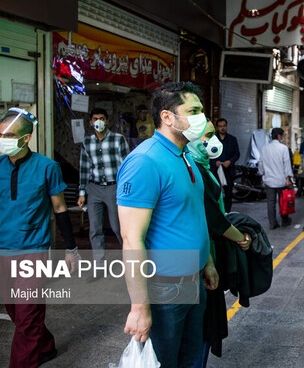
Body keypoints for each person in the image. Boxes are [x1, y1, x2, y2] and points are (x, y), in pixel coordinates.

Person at [117, 82, 219, 367]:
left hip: (194, 280)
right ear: (167, 117)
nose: (202, 118)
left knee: (191, 358)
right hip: (164, 288)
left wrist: (207, 262)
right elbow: (131, 239)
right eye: (194, 110)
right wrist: (139, 307)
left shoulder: (186, 154)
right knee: (166, 361)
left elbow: (193, 214)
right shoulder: (145, 161)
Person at [0, 108, 79, 367]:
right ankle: (45, 345)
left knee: (27, 314)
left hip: (33, 249)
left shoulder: (47, 167)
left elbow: (60, 209)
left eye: (9, 135)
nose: (2, 140)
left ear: (26, 138)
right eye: (0, 134)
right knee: (17, 312)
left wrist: (71, 248)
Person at [187, 120, 251, 367]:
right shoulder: (194, 170)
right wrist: (241, 238)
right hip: (201, 253)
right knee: (205, 322)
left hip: (205, 250)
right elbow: (213, 218)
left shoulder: (199, 165)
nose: (214, 140)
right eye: (209, 135)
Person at [77, 107, 129, 265]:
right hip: (94, 188)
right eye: (95, 119)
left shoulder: (117, 139)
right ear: (90, 122)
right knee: (95, 229)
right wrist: (81, 193)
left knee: (117, 226)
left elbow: (126, 166)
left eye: (102, 118)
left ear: (107, 121)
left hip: (114, 187)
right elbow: (84, 168)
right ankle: (98, 264)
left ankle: (130, 260)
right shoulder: (87, 142)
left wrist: (125, 189)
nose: (98, 121)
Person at [258, 128, 293, 230]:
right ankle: (285, 221)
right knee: (283, 201)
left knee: (271, 203)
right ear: (278, 136)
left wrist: (262, 174)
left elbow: (261, 163)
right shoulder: (283, 148)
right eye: (282, 135)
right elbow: (287, 164)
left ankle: (272, 223)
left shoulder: (265, 149)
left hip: (269, 181)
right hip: (281, 180)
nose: (282, 137)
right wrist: (288, 178)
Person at [209, 118, 240, 213]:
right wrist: (215, 162)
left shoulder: (232, 139)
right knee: (216, 192)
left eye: (224, 126)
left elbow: (237, 154)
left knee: (228, 193)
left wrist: (230, 161)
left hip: (228, 170)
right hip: (216, 170)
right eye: (220, 126)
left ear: (227, 127)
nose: (222, 128)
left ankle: (227, 213)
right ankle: (218, 212)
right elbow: (207, 154)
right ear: (217, 128)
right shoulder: (212, 140)